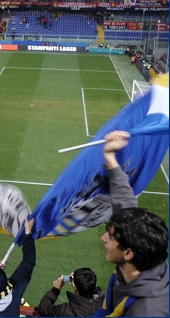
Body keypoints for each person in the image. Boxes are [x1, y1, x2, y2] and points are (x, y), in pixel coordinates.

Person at [94, 130, 168, 316]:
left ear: (128, 253)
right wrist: (110, 155)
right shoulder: (142, 261)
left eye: (110, 237)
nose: (103, 238)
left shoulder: (148, 311)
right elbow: (124, 203)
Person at [37, 268, 104, 316]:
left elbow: (43, 308)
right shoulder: (105, 302)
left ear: (75, 286)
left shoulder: (67, 310)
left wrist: (55, 290)